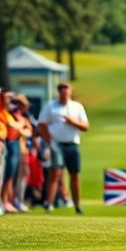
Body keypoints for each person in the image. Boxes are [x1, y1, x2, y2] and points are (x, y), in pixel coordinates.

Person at [38, 82, 89, 214]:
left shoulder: (77, 107)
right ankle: (49, 203)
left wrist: (73, 122)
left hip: (72, 142)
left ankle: (77, 205)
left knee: (74, 174)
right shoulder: (51, 105)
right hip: (56, 143)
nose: (64, 94)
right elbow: (42, 124)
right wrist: (48, 139)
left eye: (66, 92)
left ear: (70, 92)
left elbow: (85, 126)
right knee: (55, 172)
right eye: (61, 92)